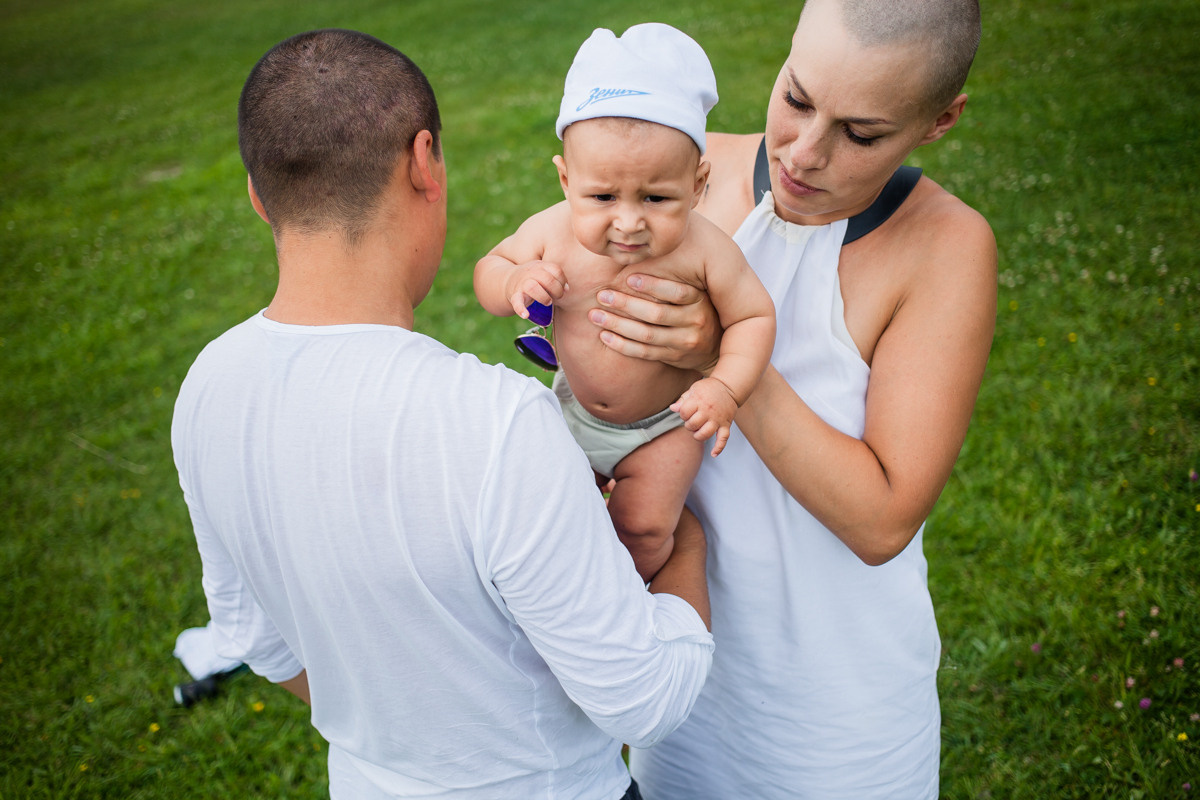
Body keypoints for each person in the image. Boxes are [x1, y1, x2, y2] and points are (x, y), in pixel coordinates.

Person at [171, 28, 714, 800]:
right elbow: (643, 700)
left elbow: (257, 640)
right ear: (423, 162)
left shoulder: (208, 387)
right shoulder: (497, 426)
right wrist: (687, 539)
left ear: (259, 197)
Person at [585, 0, 998, 796]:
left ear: (940, 121)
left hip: (837, 716)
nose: (804, 153)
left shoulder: (945, 247)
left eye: (861, 133)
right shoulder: (683, 180)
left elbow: (881, 521)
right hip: (681, 671)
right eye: (797, 98)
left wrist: (723, 355)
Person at [474, 24, 775, 582]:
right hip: (572, 409)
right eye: (603, 196)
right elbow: (488, 269)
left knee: (643, 527)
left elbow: (753, 317)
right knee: (545, 515)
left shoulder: (707, 250)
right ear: (566, 180)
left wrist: (725, 387)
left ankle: (629, 599)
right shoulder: (552, 232)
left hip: (664, 428)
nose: (629, 221)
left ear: (698, 184)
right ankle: (559, 593)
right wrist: (514, 280)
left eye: (657, 197)